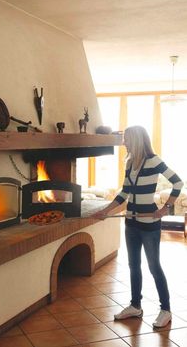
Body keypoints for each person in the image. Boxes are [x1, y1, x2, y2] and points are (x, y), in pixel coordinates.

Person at [93, 125, 183, 328]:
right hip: (131, 222)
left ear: (137, 139)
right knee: (134, 265)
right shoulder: (129, 162)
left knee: (154, 267)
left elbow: (178, 183)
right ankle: (135, 306)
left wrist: (165, 209)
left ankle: (166, 310)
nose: (124, 142)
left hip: (149, 224)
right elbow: (124, 193)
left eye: (126, 138)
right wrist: (106, 211)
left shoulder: (154, 161)